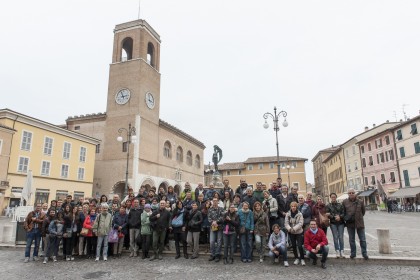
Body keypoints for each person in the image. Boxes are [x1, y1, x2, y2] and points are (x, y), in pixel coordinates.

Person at [342, 188, 368, 260]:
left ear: (355, 193)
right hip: (350, 223)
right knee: (351, 239)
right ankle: (353, 253)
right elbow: (343, 212)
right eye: (349, 193)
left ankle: (364, 253)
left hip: (359, 222)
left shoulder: (360, 201)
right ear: (348, 194)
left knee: (362, 239)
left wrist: (357, 217)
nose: (351, 194)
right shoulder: (345, 202)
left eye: (352, 193)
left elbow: (363, 212)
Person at [285, 201, 305, 266]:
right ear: (290, 207)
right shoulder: (288, 214)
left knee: (299, 245)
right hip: (291, 232)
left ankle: (302, 258)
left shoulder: (300, 214)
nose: (293, 207)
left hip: (299, 232)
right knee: (293, 246)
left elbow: (300, 223)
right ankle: (296, 258)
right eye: (292, 206)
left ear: (296, 207)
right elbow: (286, 223)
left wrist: (294, 228)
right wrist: (289, 228)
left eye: (294, 206)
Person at [326, 192, 345, 258]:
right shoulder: (328, 205)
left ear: (336, 197)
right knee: (335, 237)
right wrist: (334, 217)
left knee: (341, 237)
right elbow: (328, 214)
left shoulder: (340, 205)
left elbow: (343, 213)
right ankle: (337, 250)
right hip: (333, 223)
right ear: (330, 198)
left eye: (334, 197)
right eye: (332, 197)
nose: (333, 198)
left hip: (341, 223)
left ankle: (342, 250)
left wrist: (340, 217)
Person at [208, 197, 224, 262]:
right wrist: (213, 222)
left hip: (219, 227)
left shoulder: (221, 209)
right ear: (212, 202)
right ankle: (212, 254)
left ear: (218, 202)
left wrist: (216, 221)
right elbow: (209, 218)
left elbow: (222, 217)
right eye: (213, 201)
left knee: (219, 241)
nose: (215, 202)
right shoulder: (210, 209)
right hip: (213, 227)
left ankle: (218, 254)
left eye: (216, 201)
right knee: (211, 241)